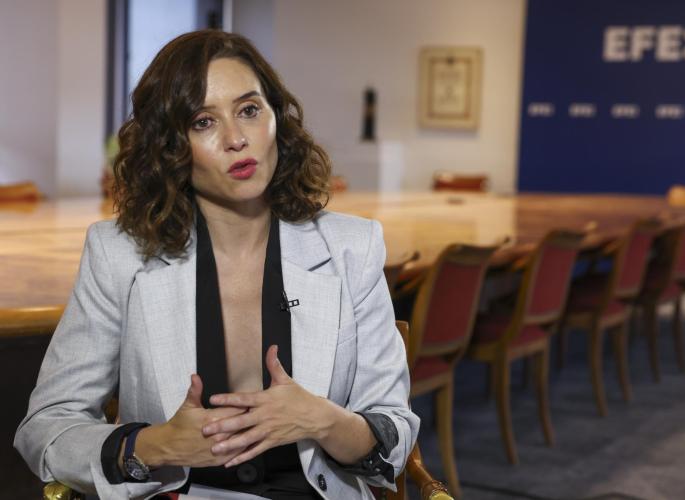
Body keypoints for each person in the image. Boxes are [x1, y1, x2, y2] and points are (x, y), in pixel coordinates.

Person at [15, 30, 419, 500]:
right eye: (203, 122)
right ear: (170, 145)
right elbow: (46, 428)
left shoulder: (353, 247)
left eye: (249, 110)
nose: (236, 139)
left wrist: (323, 421)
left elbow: (394, 434)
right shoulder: (117, 253)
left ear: (276, 118)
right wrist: (154, 445)